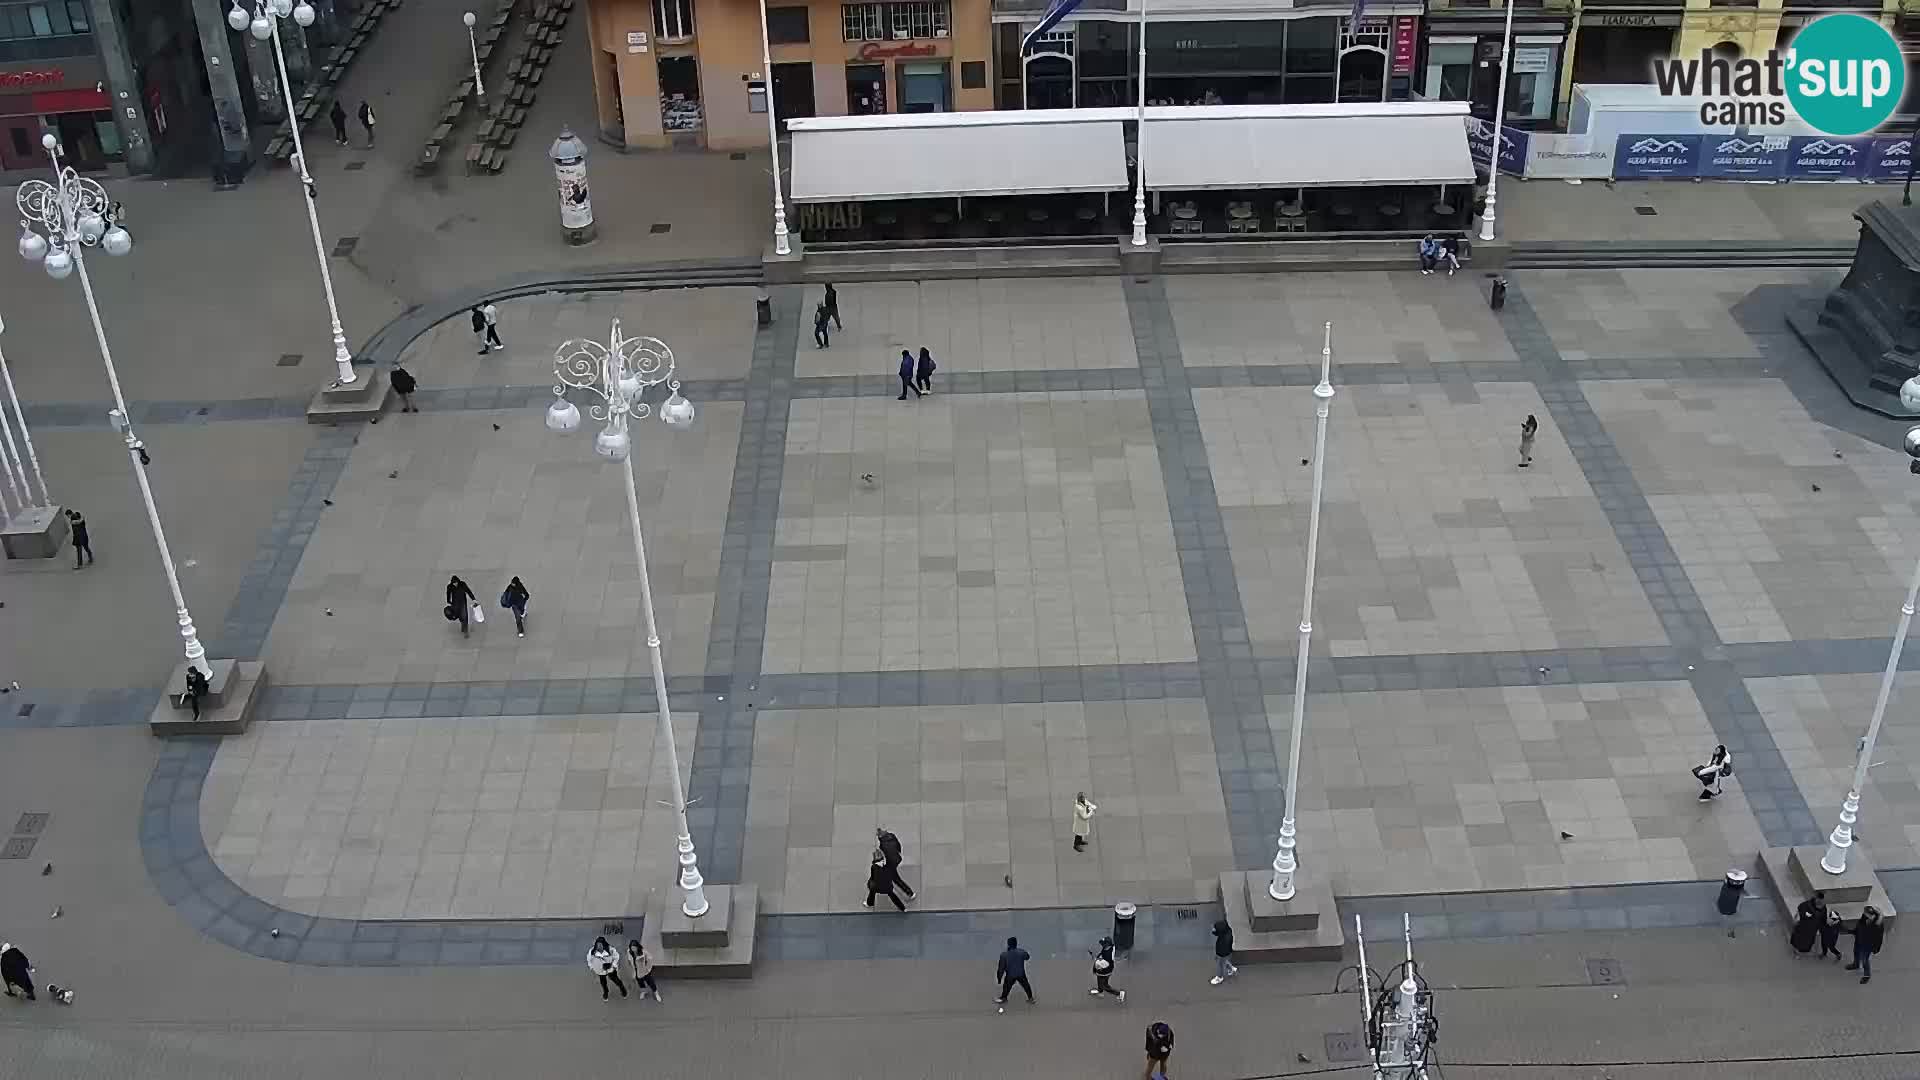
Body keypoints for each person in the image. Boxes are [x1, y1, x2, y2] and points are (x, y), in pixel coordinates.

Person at [1846, 905, 1885, 983]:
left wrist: (1876, 949)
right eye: (1865, 912)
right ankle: (1856, 964)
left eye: (1867, 913)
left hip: (1867, 946)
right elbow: (1859, 925)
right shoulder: (1864, 917)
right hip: (1859, 940)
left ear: (1873, 915)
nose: (1864, 914)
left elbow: (1879, 939)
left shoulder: (1878, 926)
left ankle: (1867, 975)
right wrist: (1854, 931)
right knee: (1856, 953)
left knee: (1865, 960)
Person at [994, 936, 1033, 1013]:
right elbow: (1027, 957)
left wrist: (999, 978)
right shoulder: (1021, 952)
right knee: (1026, 985)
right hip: (1020, 973)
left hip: (1010, 975)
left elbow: (1001, 968)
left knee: (1006, 987)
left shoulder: (1004, 955)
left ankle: (1003, 998)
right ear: (1016, 943)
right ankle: (1030, 998)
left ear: (1008, 944)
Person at [876, 826, 915, 899]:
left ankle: (909, 893)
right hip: (897, 859)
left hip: (891, 862)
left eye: (878, 835)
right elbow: (898, 846)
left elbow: (887, 855)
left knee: (895, 879)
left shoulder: (883, 844)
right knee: (894, 878)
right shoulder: (892, 836)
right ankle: (909, 893)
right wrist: (898, 854)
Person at [1089, 936, 1125, 1002]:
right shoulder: (1108, 948)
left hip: (1105, 970)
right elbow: (1100, 956)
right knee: (1099, 979)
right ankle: (1100, 992)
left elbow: (1101, 963)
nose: (1102, 945)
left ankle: (1119, 994)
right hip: (1103, 969)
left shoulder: (1108, 955)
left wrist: (1096, 963)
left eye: (1103, 944)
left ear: (1107, 944)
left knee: (1104, 985)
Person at [1210, 918, 1237, 985]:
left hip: (1222, 952)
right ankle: (1231, 969)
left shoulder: (1224, 940)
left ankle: (1219, 977)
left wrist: (1218, 955)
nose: (1214, 929)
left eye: (1216, 928)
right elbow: (1217, 933)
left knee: (1219, 964)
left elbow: (1221, 948)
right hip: (1226, 952)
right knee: (1225, 961)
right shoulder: (1227, 931)